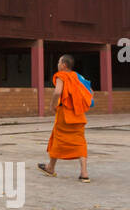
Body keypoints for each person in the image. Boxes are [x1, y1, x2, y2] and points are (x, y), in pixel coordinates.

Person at [38, 54, 94, 182]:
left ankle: (51, 168)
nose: (57, 64)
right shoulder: (76, 76)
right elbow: (90, 91)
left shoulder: (61, 76)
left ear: (63, 65)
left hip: (65, 113)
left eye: (58, 62)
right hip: (78, 113)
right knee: (80, 141)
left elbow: (58, 92)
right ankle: (84, 173)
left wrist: (52, 105)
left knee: (58, 138)